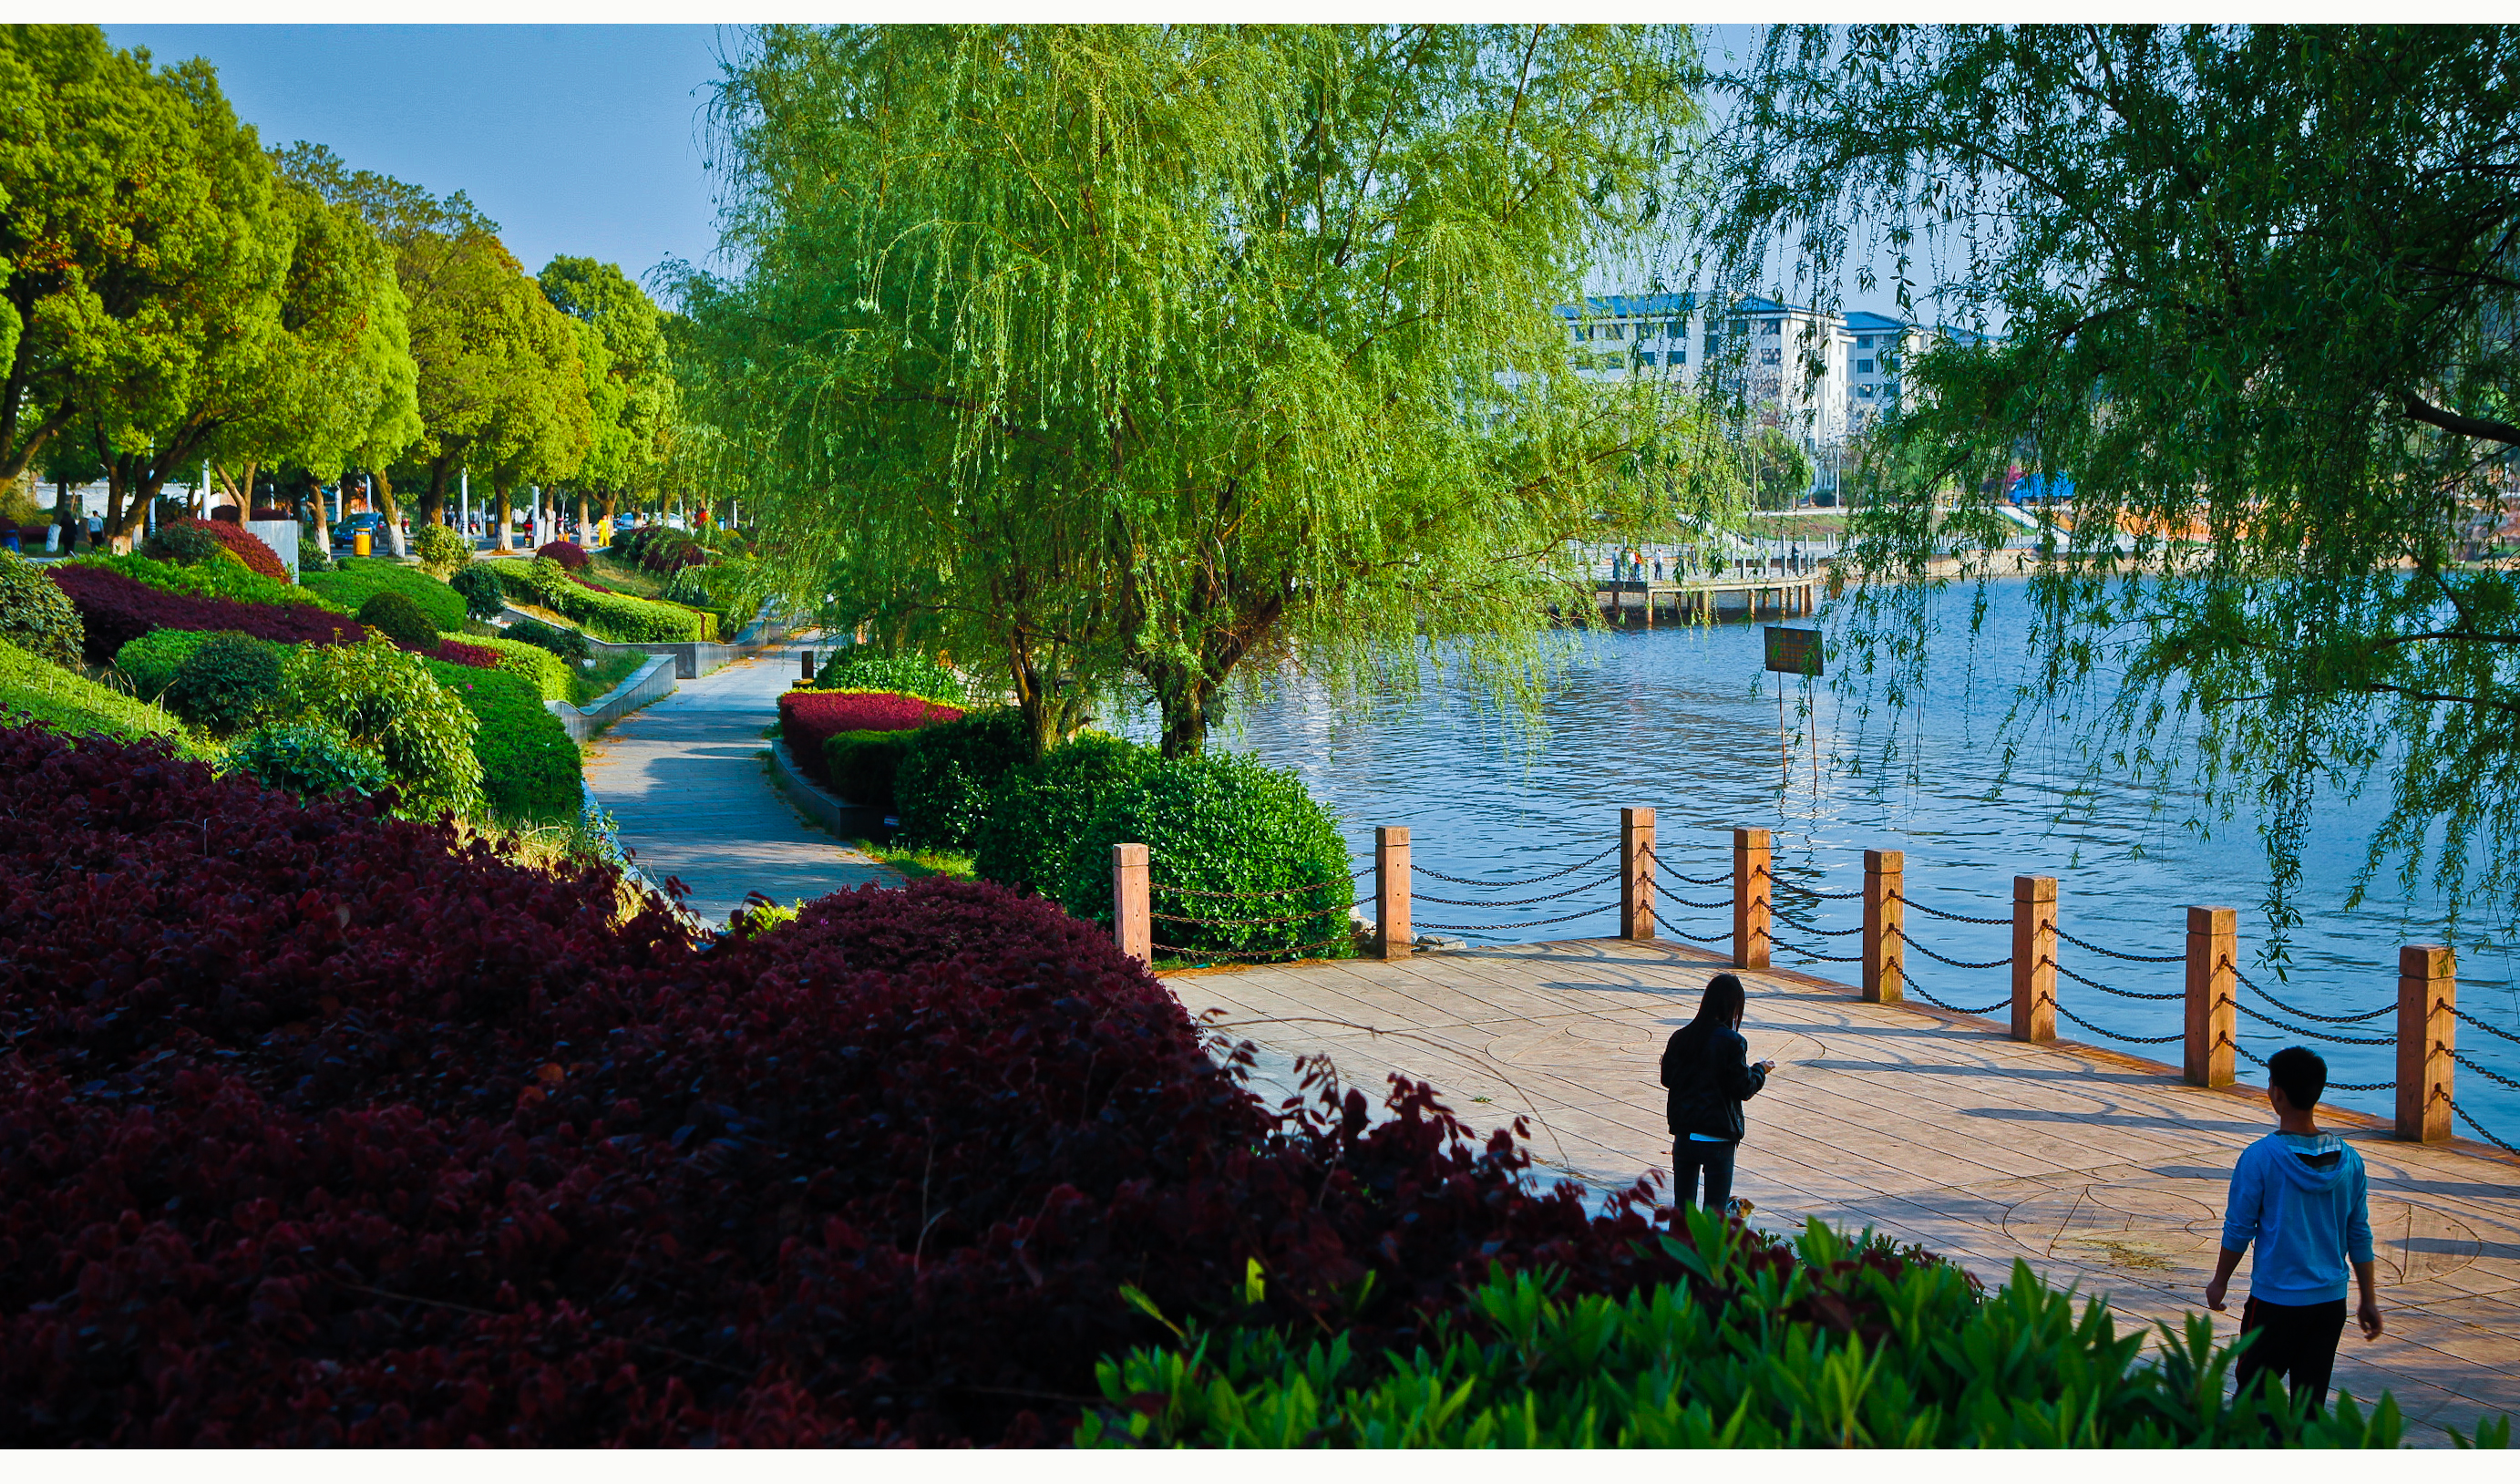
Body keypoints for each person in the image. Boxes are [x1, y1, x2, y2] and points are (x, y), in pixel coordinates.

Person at [2204, 1045, 2382, 1416]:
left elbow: (2240, 1228)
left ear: (2276, 1093)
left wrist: (2220, 1280)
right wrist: (2368, 1298)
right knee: (2310, 1405)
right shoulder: (2350, 1160)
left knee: (2252, 1401)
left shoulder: (2260, 1158)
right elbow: (2359, 1235)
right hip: (2330, 1303)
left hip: (2275, 1302)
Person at [1659, 972, 1775, 1214]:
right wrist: (1760, 1070)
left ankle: (1676, 1252)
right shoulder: (1733, 1042)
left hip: (1685, 1138)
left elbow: (1667, 1079)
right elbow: (1744, 1087)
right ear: (1734, 1009)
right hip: (1718, 1141)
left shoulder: (1680, 1037)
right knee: (1715, 1214)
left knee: (1682, 1212)